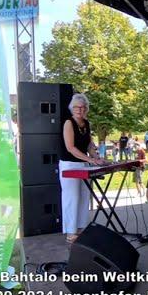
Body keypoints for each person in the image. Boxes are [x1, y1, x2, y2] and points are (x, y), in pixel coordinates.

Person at [59, 93, 106, 244]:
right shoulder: (68, 123)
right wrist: (91, 159)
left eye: (82, 107)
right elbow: (71, 148)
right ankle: (70, 232)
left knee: (84, 196)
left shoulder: (86, 123)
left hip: (83, 164)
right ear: (72, 108)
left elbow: (89, 145)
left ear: (86, 109)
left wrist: (96, 157)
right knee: (71, 198)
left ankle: (81, 228)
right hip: (69, 165)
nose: (80, 109)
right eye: (76, 107)